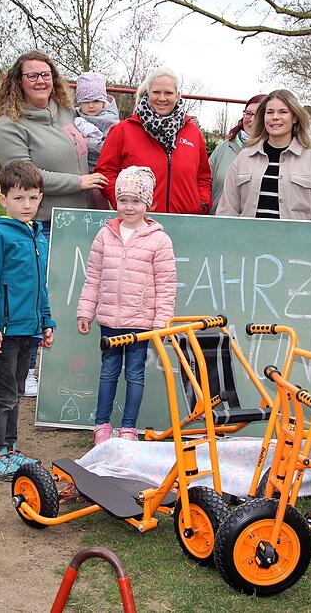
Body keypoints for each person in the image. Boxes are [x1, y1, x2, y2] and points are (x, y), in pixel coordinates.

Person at [0, 50, 104, 397]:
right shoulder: (10, 125)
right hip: (42, 224)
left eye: (46, 73)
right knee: (33, 296)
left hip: (78, 223)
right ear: (17, 82)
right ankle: (29, 366)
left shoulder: (66, 113)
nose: (41, 80)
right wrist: (78, 182)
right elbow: (25, 176)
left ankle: (64, 361)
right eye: (32, 75)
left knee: (69, 298)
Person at [76, 166, 177, 445]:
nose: (129, 207)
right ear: (115, 201)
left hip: (140, 323)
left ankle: (129, 428)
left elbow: (166, 286)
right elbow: (93, 277)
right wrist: (86, 310)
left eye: (136, 200)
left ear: (148, 203)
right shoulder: (105, 235)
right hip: (109, 320)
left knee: (135, 374)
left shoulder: (159, 240)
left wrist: (160, 324)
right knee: (108, 372)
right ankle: (102, 425)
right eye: (123, 200)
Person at [0, 159, 56, 479]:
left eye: (33, 197)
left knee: (16, 391)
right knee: (2, 392)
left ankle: (10, 448)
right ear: (3, 199)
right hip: (4, 332)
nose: (27, 205)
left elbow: (41, 286)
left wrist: (46, 321)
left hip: (30, 331)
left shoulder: (38, 236)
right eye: (19, 198)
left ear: (41, 198)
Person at [95, 66, 211, 215]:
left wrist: (201, 204)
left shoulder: (193, 133)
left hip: (185, 224)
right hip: (139, 224)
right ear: (148, 93)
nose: (162, 98)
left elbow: (203, 177)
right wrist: (124, 202)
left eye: (168, 93)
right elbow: (106, 174)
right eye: (156, 92)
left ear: (177, 95)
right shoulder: (122, 131)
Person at [216, 89, 311, 221]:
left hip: (297, 241)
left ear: (295, 117)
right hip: (247, 241)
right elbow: (227, 211)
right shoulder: (243, 159)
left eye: (283, 112)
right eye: (270, 112)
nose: (275, 117)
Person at [208, 93, 266, 213]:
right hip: (218, 224)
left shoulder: (273, 153)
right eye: (248, 113)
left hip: (253, 227)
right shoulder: (223, 148)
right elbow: (205, 183)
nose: (252, 119)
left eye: (259, 115)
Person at [73, 71, 120, 172]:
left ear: (103, 101)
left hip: (101, 167)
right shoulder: (76, 114)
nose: (91, 105)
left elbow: (112, 147)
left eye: (96, 101)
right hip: (80, 165)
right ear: (80, 103)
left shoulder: (110, 120)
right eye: (86, 101)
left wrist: (88, 142)